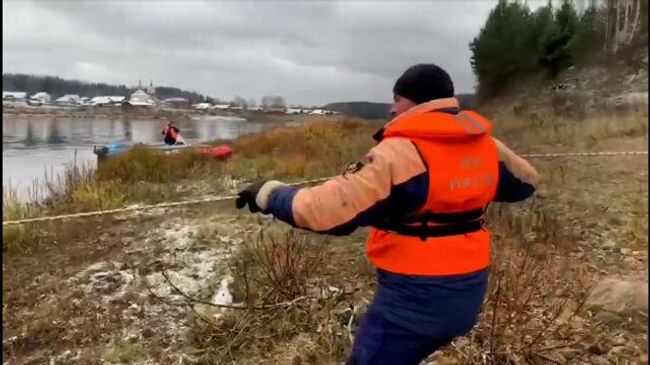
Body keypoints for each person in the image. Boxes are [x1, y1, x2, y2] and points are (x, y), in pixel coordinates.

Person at [235, 64, 540, 365]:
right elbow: (526, 183)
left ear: (416, 100)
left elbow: (325, 212)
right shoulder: (486, 146)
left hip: (413, 303)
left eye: (396, 99)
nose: (392, 109)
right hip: (468, 295)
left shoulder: (399, 153)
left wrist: (269, 194)